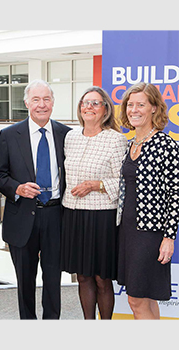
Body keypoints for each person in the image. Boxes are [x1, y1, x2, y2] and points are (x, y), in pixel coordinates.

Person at [0, 79, 71, 319]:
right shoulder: (8, 135)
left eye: (46, 99)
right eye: (36, 99)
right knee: (24, 282)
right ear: (26, 102)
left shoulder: (66, 134)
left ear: (53, 102)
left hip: (56, 216)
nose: (41, 105)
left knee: (53, 281)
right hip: (22, 216)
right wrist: (17, 188)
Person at [60, 86, 127, 319]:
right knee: (83, 276)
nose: (89, 107)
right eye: (85, 103)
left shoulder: (116, 139)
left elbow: (124, 182)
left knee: (101, 278)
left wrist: (95, 185)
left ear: (106, 109)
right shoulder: (70, 137)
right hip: (74, 215)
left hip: (101, 218)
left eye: (95, 103)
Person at [117, 82, 178, 319]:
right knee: (147, 299)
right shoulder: (130, 144)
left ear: (154, 108)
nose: (134, 109)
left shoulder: (166, 146)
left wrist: (169, 237)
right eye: (130, 105)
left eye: (141, 104)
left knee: (136, 299)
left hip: (150, 234)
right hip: (128, 231)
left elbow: (175, 194)